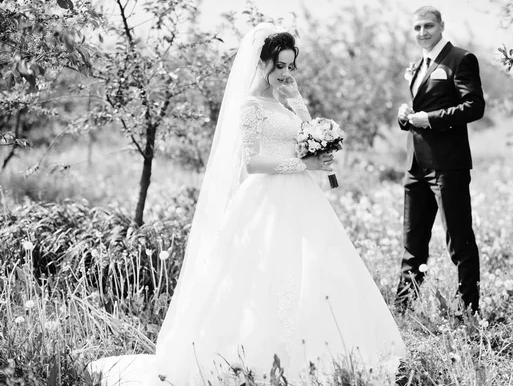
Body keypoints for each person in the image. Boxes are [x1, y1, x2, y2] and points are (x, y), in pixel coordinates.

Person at [87, 23, 405, 385]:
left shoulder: (282, 102)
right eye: (279, 66)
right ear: (262, 63)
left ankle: (323, 351)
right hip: (266, 199)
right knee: (265, 277)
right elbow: (253, 162)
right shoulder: (250, 106)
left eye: (290, 66)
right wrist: (306, 165)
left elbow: (307, 135)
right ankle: (254, 356)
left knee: (316, 270)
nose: (285, 73)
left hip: (301, 196)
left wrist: (298, 103)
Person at [396, 6, 485, 316]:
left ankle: (468, 312)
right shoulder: (418, 65)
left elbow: (474, 106)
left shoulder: (461, 59)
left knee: (459, 242)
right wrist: (406, 117)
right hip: (415, 166)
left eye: (428, 26)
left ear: (441, 26)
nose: (423, 32)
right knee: (412, 244)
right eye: (417, 27)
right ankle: (403, 310)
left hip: (449, 166)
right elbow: (421, 108)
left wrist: (429, 119)